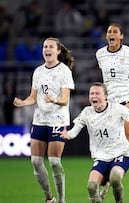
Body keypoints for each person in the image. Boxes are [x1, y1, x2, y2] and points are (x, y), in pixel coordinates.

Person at [60, 82, 129, 203]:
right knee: (91, 187)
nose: (93, 96)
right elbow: (74, 131)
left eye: (97, 93)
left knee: (115, 178)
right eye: (91, 93)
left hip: (121, 153)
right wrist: (67, 134)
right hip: (101, 157)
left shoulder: (116, 109)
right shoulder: (87, 112)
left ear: (106, 96)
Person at [13, 37, 75, 203]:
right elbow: (33, 98)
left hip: (58, 120)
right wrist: (23, 102)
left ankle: (62, 199)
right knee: (35, 161)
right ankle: (49, 198)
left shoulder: (64, 71)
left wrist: (54, 100)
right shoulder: (38, 71)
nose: (47, 49)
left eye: (50, 47)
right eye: (45, 47)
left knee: (54, 162)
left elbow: (65, 99)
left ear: (58, 51)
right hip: (40, 119)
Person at [95, 23, 129, 196]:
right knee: (116, 142)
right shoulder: (100, 54)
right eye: (109, 31)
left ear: (121, 36)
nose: (111, 34)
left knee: (126, 139)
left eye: (115, 32)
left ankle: (111, 184)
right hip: (111, 102)